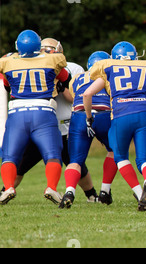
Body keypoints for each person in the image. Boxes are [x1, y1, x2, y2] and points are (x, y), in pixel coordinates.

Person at [1, 37, 100, 204]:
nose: (47, 51)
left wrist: (60, 87)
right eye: (44, 48)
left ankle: (91, 194)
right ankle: (7, 189)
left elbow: (74, 97)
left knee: (76, 164)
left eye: (50, 48)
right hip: (46, 119)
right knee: (24, 164)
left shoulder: (71, 67)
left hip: (63, 125)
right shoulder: (53, 64)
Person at [82, 41, 146, 211]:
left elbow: (87, 93)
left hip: (121, 114)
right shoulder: (144, 69)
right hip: (144, 113)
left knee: (120, 156)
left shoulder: (109, 69)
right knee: (144, 159)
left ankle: (138, 192)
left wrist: (89, 116)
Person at [0, 30, 70, 205]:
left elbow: (6, 84)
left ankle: (8, 187)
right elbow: (65, 78)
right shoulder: (52, 59)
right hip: (43, 111)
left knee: (10, 155)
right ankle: (51, 188)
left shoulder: (7, 61)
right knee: (53, 154)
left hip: (17, 112)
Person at [59, 51, 118, 208]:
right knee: (114, 151)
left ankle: (70, 191)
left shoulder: (78, 77)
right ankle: (105, 191)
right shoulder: (111, 75)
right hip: (103, 114)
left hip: (79, 116)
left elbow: (73, 96)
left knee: (75, 161)